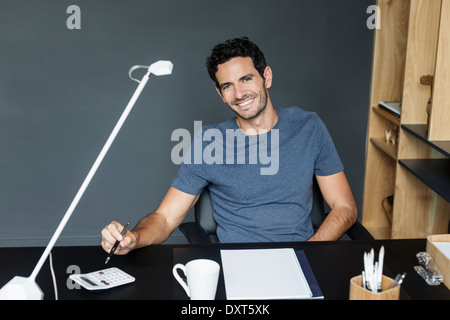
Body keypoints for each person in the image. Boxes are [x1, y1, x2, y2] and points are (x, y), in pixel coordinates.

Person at [101, 37, 357, 255]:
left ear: (266, 77)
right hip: (239, 265)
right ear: (219, 93)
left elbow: (345, 207)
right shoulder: (208, 142)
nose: (239, 94)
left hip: (303, 256)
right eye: (227, 86)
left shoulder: (308, 127)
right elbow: (165, 218)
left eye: (246, 79)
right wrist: (133, 238)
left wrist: (309, 254)